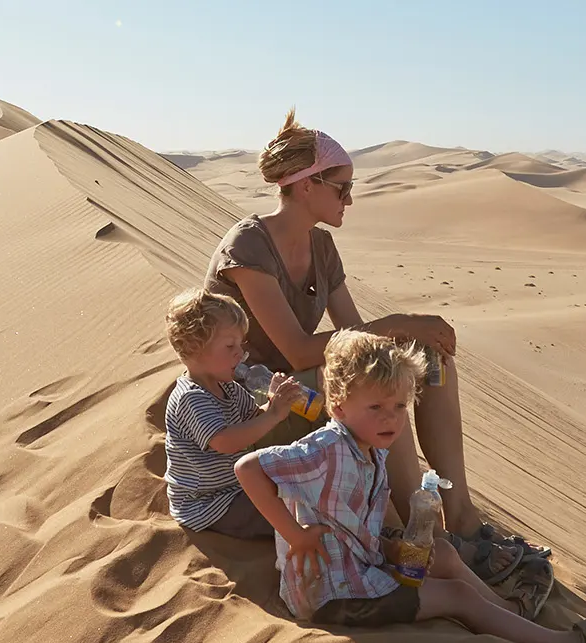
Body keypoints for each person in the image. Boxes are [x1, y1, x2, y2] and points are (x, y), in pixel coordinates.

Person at [206, 109, 548, 573]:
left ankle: (461, 517)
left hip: (306, 389)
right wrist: (399, 320)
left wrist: (410, 337)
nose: (350, 199)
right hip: (260, 408)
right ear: (307, 186)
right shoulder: (247, 247)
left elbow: (355, 336)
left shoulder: (321, 248)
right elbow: (300, 352)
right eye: (342, 188)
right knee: (380, 381)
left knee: (423, 361)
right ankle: (430, 539)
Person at [234, 330, 586, 643]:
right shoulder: (326, 448)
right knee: (455, 597)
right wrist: (295, 535)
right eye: (375, 407)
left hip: (358, 568)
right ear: (337, 406)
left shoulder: (368, 445)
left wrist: (388, 545)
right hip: (334, 595)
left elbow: (350, 520)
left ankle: (511, 613)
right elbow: (248, 469)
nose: (390, 418)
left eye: (399, 407)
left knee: (439, 555)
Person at [160, 290, 311, 539]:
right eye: (230, 346)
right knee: (288, 511)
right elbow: (226, 442)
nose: (239, 353)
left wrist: (274, 403)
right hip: (210, 503)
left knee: (294, 492)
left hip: (237, 486)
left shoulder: (228, 386)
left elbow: (251, 421)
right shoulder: (191, 397)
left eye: (240, 345)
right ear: (194, 348)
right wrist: (272, 415)